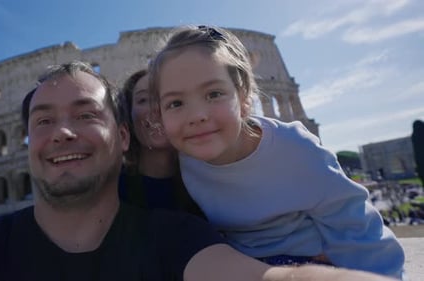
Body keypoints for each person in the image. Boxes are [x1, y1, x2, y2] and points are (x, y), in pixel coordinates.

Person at [0, 61, 397, 281]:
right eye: (43, 120)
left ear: (122, 135)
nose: (63, 132)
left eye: (86, 114)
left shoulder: (173, 238)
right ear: (28, 141)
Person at [148, 25, 405, 279]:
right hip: (244, 264)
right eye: (176, 103)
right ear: (159, 114)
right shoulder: (182, 157)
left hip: (311, 263)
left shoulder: (295, 148)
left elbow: (358, 227)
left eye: (214, 94)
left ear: (245, 98)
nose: (197, 116)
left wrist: (384, 276)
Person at [118, 69, 203, 217]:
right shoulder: (110, 187)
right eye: (143, 100)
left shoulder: (209, 182)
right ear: (128, 115)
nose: (157, 108)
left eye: (171, 100)